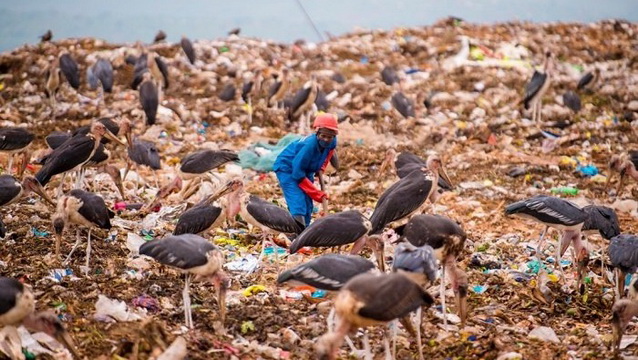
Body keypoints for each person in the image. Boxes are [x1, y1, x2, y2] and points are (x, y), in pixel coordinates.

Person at [273, 113, 338, 227]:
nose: (326, 139)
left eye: (329, 137)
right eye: (323, 136)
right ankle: (296, 233)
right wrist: (317, 194)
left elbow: (329, 152)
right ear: (317, 132)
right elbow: (297, 174)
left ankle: (306, 231)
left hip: (306, 169)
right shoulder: (309, 146)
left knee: (308, 204)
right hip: (288, 168)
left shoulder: (332, 141)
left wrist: (321, 168)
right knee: (298, 201)